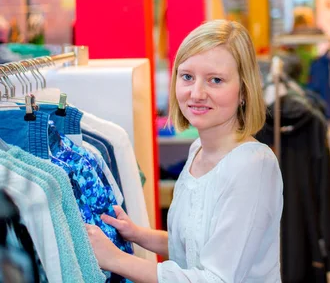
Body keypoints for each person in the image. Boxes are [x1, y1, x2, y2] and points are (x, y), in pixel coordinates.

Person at [86, 20, 284, 283]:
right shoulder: (198, 150)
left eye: (215, 80)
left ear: (244, 91)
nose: (196, 93)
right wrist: (137, 234)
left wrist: (116, 259)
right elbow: (195, 248)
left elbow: (216, 278)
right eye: (187, 76)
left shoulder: (253, 166)